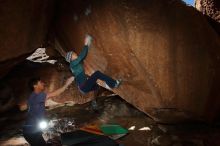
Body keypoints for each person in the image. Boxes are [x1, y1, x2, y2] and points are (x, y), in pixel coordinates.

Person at [57, 34, 121, 96]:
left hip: (83, 88)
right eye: (74, 53)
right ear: (71, 58)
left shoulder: (75, 63)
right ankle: (114, 84)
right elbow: (81, 57)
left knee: (96, 85)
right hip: (84, 87)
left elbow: (83, 56)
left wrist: (87, 45)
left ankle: (107, 87)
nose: (75, 53)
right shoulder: (72, 64)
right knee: (97, 74)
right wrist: (86, 44)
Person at [22, 76, 74, 146]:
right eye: (40, 82)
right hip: (31, 132)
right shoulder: (38, 95)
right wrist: (67, 84)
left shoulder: (32, 96)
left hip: (30, 132)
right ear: (35, 85)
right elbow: (54, 94)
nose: (43, 83)